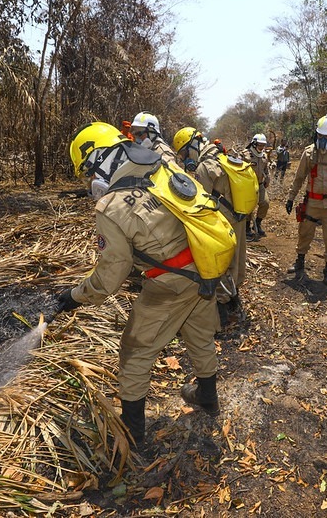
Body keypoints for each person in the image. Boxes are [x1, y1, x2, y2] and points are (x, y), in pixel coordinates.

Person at [58, 122, 222, 446]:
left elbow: (110, 275)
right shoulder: (162, 165)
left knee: (134, 353)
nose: (91, 181)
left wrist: (74, 296)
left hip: (170, 284)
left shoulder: (111, 206)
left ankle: (132, 437)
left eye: (89, 172)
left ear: (100, 159)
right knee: (199, 335)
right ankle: (208, 398)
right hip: (205, 265)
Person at [173, 126, 253, 327]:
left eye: (184, 153)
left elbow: (200, 201)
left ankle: (223, 314)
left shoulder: (203, 168)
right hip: (239, 216)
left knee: (223, 263)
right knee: (237, 260)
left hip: (224, 221)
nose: (184, 159)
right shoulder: (222, 157)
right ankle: (235, 302)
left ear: (192, 146)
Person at [285, 114, 327, 286]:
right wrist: (290, 198)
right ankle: (300, 261)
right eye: (321, 136)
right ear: (317, 134)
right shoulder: (309, 153)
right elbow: (299, 177)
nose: (324, 140)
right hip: (312, 202)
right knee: (304, 233)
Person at [241, 133, 270, 240]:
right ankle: (247, 227)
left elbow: (266, 169)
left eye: (263, 145)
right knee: (249, 206)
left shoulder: (264, 155)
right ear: (254, 144)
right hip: (248, 185)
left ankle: (257, 223)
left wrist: (267, 179)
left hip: (260, 184)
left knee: (265, 203)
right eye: (259, 145)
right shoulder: (245, 155)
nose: (261, 147)